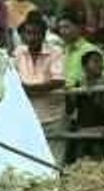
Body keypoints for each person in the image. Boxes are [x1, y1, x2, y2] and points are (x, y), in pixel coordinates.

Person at [13, 13, 67, 164]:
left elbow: (58, 80)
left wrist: (30, 89)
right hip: (27, 117)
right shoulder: (18, 52)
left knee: (54, 161)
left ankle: (55, 187)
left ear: (43, 35)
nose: (32, 37)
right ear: (23, 35)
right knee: (30, 160)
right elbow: (12, 78)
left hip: (52, 116)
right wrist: (22, 88)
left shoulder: (55, 52)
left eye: (36, 33)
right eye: (28, 33)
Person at [67, 51, 104, 163]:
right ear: (84, 66)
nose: (100, 65)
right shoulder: (78, 84)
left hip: (102, 130)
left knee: (101, 165)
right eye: (95, 61)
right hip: (83, 130)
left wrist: (95, 90)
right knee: (81, 164)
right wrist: (71, 95)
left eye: (101, 61)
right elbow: (70, 110)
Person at [57, 7, 104, 88]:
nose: (62, 31)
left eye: (66, 27)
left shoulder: (90, 49)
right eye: (60, 28)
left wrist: (93, 82)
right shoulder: (63, 51)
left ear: (78, 27)